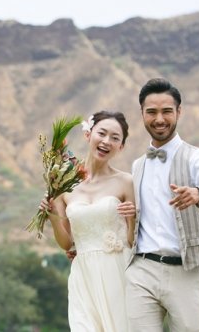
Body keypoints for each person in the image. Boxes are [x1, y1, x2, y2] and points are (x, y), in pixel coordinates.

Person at [116, 78, 199, 331]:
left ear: (179, 112)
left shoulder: (197, 156)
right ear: (142, 114)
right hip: (141, 271)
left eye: (167, 111)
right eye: (151, 112)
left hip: (185, 271)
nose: (159, 119)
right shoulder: (137, 165)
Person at [41, 110, 135, 332]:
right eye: (101, 133)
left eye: (115, 138)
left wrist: (132, 218)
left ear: (121, 147)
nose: (106, 141)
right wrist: (53, 214)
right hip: (84, 274)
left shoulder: (126, 182)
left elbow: (133, 240)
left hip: (119, 271)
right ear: (88, 134)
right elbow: (66, 243)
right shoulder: (62, 184)